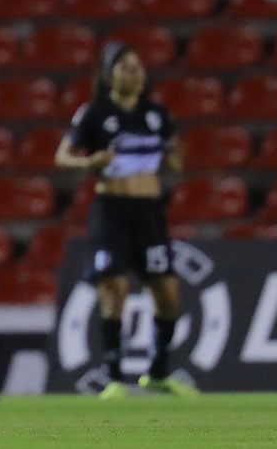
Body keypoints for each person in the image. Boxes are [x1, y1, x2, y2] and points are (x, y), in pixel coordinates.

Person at [54, 42, 200, 400]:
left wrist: (173, 157)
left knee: (167, 294)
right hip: (112, 210)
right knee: (114, 289)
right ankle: (113, 375)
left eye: (138, 66)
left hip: (149, 211)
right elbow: (62, 157)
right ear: (108, 75)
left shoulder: (156, 114)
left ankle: (159, 373)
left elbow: (176, 160)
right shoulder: (94, 113)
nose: (133, 72)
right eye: (125, 66)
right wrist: (90, 163)